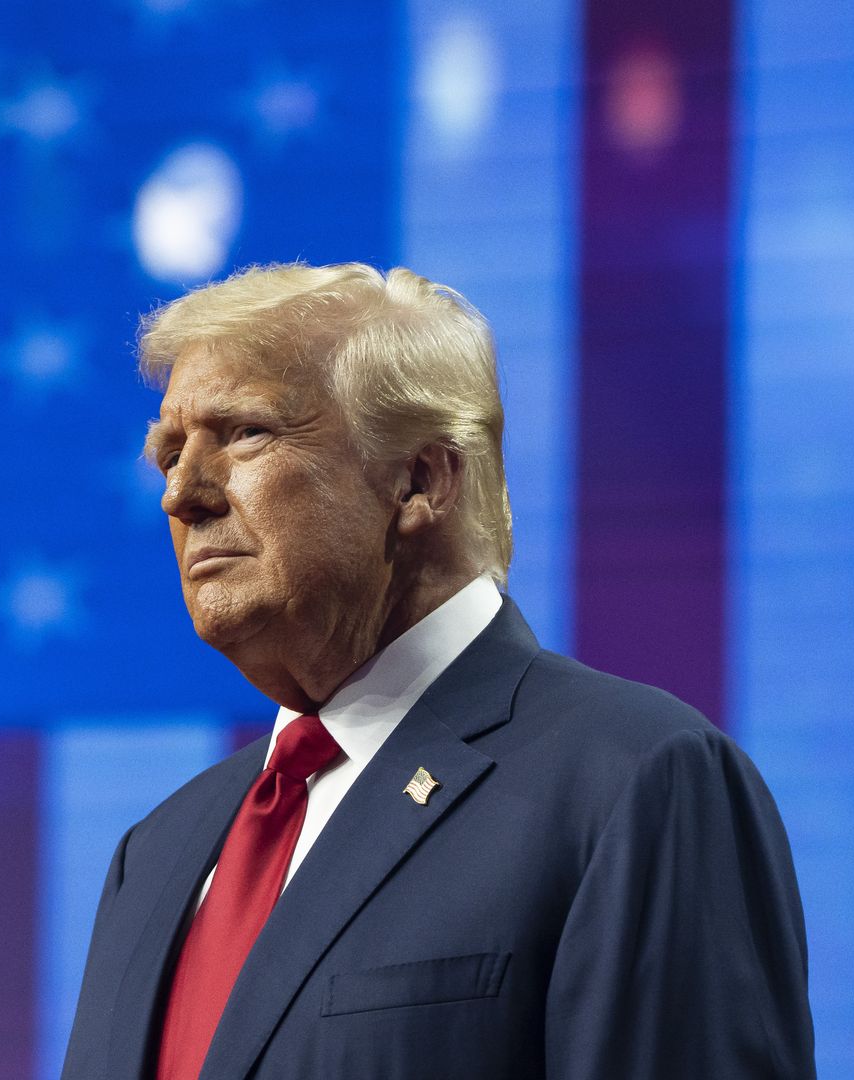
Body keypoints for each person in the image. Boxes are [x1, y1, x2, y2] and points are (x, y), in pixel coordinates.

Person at [60, 263, 814, 1079]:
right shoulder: (156, 855)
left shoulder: (632, 781)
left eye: (245, 432)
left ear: (419, 481)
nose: (181, 493)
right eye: (170, 452)